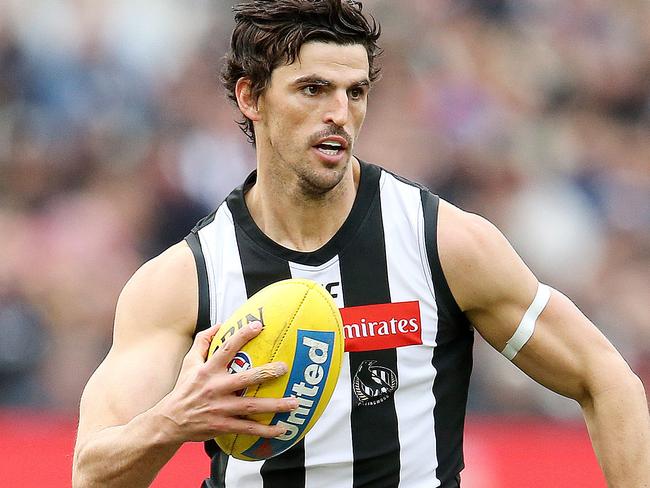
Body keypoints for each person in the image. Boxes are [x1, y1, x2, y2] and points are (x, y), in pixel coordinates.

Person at [72, 1, 650, 487]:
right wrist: (175, 419)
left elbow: (606, 378)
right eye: (314, 89)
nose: (339, 114)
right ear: (251, 97)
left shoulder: (442, 242)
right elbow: (90, 473)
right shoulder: (183, 278)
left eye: (355, 93)